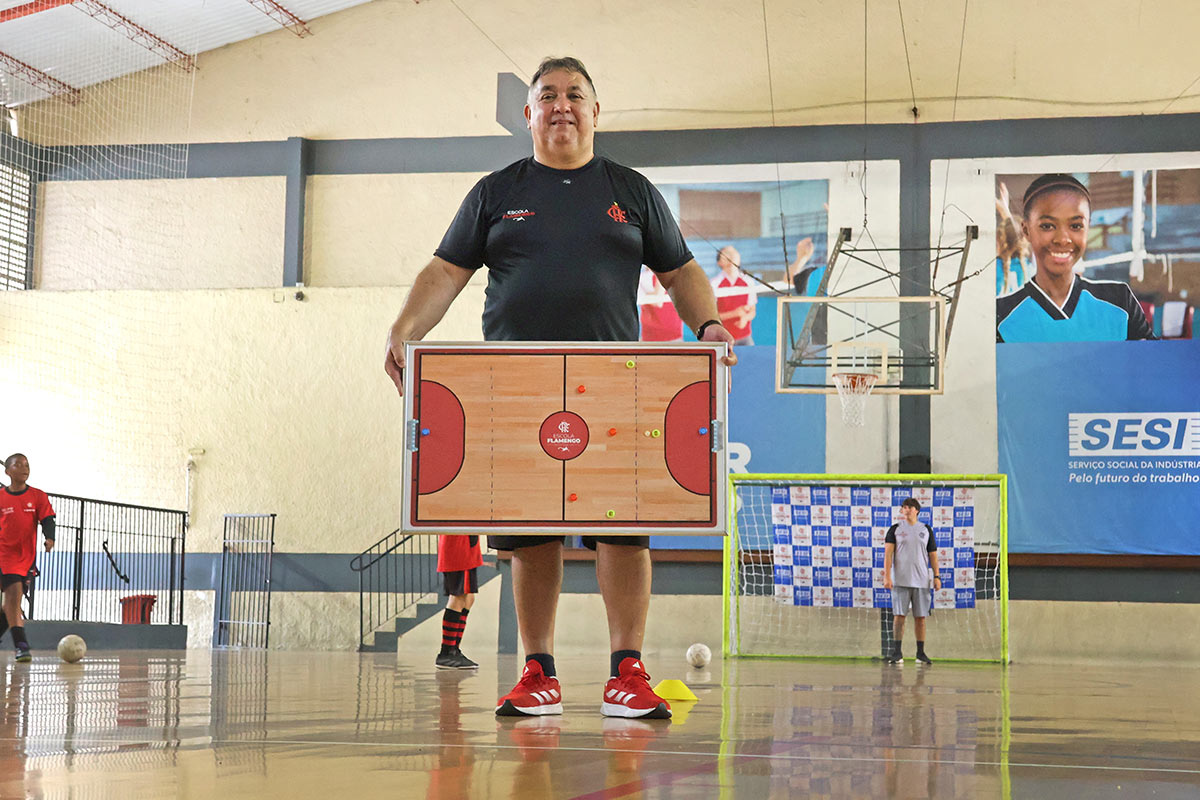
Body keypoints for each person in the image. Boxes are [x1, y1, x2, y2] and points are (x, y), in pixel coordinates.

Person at [384, 56, 736, 720]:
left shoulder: (632, 190)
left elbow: (681, 270)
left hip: (615, 386)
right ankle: (537, 672)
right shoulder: (495, 192)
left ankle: (626, 671)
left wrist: (710, 324)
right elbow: (445, 271)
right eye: (547, 95)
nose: (561, 104)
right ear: (529, 114)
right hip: (516, 387)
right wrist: (405, 329)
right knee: (528, 532)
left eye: (575, 94)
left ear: (595, 112)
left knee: (625, 530)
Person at [996, 174, 1155, 342]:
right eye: (1047, 226)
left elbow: (1154, 356)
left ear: (1088, 228)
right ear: (1026, 231)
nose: (1063, 239)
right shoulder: (1001, 317)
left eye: (1076, 226)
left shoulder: (1120, 302)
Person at [0, 454, 55, 663]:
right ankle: (21, 646)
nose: (24, 468)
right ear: (7, 471)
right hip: (4, 555)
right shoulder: (1, 497)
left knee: (10, 605)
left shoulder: (37, 496)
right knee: (14, 596)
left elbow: (47, 518)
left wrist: (49, 538)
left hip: (26, 559)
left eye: (26, 464)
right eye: (18, 464)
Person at [882, 498, 938, 665]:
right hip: (900, 580)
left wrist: (937, 576)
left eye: (910, 507)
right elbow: (888, 554)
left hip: (921, 581)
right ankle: (897, 652)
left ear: (917, 510)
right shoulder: (895, 529)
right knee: (899, 616)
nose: (906, 509)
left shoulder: (926, 529)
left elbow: (933, 555)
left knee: (920, 618)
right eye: (904, 507)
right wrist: (887, 576)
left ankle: (920, 653)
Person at [435, 534, 481, 670]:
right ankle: (446, 652)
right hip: (459, 549)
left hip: (466, 548)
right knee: (458, 597)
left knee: (469, 599)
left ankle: (454, 650)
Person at [711, 245, 756, 345]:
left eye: (733, 253)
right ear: (719, 262)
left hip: (745, 337)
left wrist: (745, 318)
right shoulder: (714, 284)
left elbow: (752, 310)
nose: (731, 256)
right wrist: (734, 313)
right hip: (722, 339)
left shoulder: (749, 281)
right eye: (727, 254)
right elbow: (711, 317)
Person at [638, 267, 684, 341]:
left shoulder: (668, 274)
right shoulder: (643, 277)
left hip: (668, 333)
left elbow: (658, 301)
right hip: (651, 333)